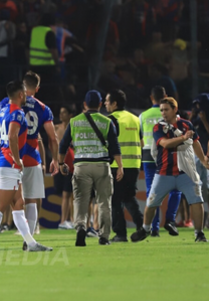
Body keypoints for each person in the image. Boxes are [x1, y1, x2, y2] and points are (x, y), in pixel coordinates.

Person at [0, 81, 52, 252]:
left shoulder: (2, 111)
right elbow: (12, 137)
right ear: (20, 95)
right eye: (24, 93)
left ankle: (31, 243)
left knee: (18, 204)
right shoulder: (17, 112)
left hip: (4, 164)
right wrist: (17, 160)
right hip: (10, 166)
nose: (26, 96)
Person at [131, 98, 209, 243]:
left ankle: (199, 234)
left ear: (175, 109)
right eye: (161, 110)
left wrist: (203, 160)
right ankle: (146, 229)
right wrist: (182, 138)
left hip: (186, 173)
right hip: (164, 173)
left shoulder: (187, 124)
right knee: (151, 203)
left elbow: (196, 143)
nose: (163, 113)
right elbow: (165, 144)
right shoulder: (158, 127)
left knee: (197, 202)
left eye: (166, 109)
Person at [59, 90, 124, 246]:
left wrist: (61, 163)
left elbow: (63, 144)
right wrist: (120, 166)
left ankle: (81, 226)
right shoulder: (107, 122)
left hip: (81, 166)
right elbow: (115, 147)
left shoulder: (74, 122)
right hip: (102, 166)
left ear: (85, 105)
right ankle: (104, 236)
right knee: (104, 202)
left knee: (80, 200)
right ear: (100, 104)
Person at [19, 71, 59, 248]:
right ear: (37, 88)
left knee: (3, 200)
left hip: (12, 157)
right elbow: (52, 137)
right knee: (31, 199)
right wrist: (55, 160)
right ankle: (30, 242)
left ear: (22, 85)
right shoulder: (43, 109)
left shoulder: (12, 103)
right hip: (33, 157)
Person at [139, 86, 181, 236]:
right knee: (176, 189)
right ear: (165, 96)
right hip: (167, 154)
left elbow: (141, 138)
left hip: (148, 156)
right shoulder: (170, 112)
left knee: (152, 190)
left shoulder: (143, 115)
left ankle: (153, 228)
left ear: (151, 98)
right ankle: (170, 220)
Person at [104, 90, 144, 242]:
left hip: (117, 165)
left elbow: (110, 144)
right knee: (128, 197)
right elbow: (141, 143)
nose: (105, 104)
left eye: (107, 101)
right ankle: (142, 225)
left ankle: (120, 234)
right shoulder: (135, 119)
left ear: (114, 103)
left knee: (114, 200)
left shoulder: (112, 120)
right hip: (134, 164)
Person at [54, 104, 75, 229]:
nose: (61, 115)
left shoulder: (73, 128)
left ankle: (69, 220)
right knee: (64, 193)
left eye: (64, 112)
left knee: (69, 193)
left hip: (70, 163)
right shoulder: (56, 128)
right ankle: (64, 221)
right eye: (60, 112)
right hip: (59, 163)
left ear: (70, 115)